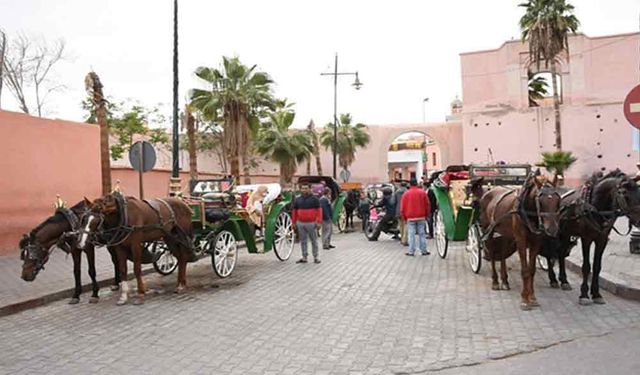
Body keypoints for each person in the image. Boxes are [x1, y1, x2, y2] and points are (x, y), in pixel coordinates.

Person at [292, 184, 323, 264]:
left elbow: (319, 211)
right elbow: (294, 212)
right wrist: (294, 222)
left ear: (310, 189)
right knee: (303, 241)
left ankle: (316, 257)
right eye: (303, 188)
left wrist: (319, 222)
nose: (304, 190)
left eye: (306, 188)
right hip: (300, 223)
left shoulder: (315, 199)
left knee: (314, 241)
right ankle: (304, 257)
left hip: (311, 223)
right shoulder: (297, 199)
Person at [401, 177, 431, 256]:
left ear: (409, 184)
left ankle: (411, 251)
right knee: (422, 234)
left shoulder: (406, 194)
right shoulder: (422, 193)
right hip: (421, 216)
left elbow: (402, 207)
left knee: (411, 235)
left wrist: (404, 217)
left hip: (410, 217)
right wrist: (426, 214)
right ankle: (423, 250)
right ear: (417, 183)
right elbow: (427, 205)